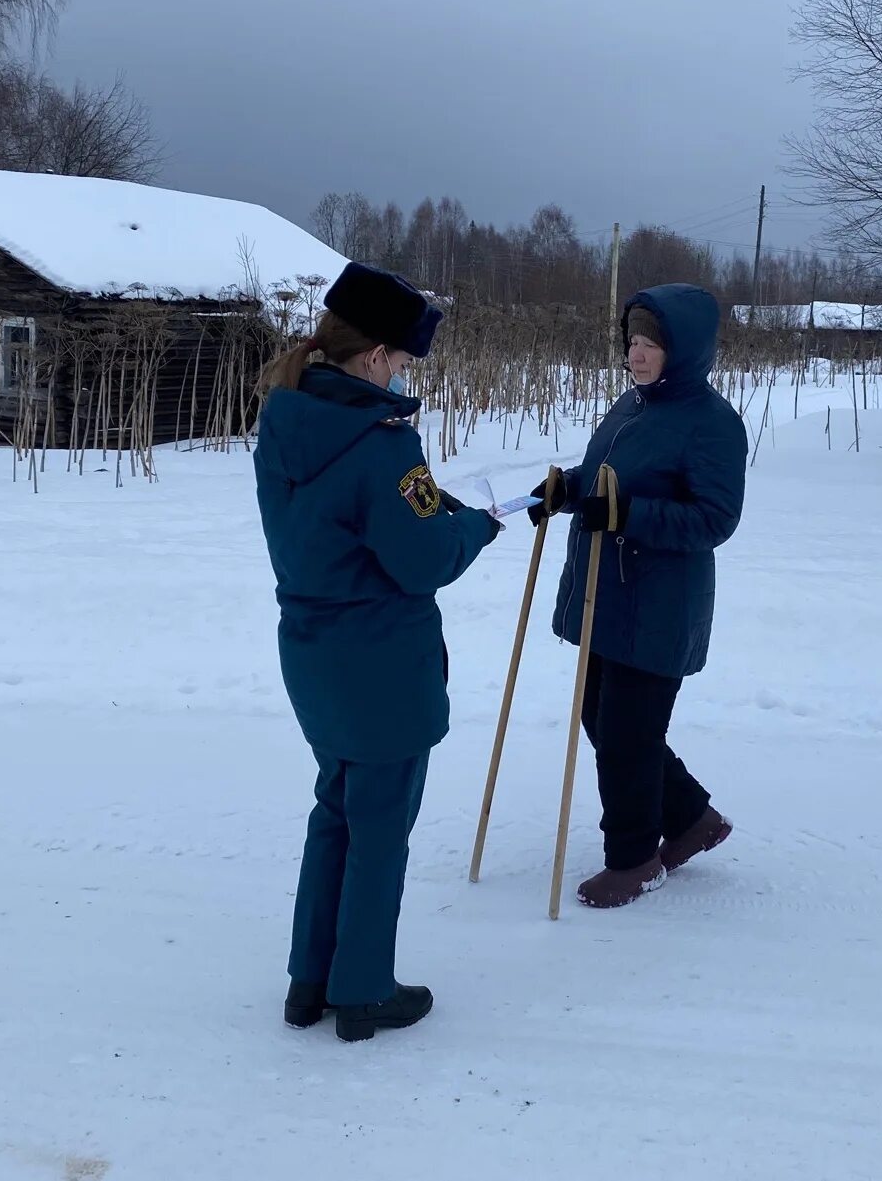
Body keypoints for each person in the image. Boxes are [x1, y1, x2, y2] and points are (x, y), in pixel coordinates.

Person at [253, 261, 500, 1040]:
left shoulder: (286, 421)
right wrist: (479, 525)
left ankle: (310, 979)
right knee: (381, 825)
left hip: (313, 654)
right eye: (400, 361)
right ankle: (362, 989)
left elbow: (367, 522)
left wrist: (432, 507)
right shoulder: (384, 444)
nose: (402, 377)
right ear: (371, 357)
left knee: (336, 811)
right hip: (382, 661)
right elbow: (424, 557)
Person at [528, 283, 748, 909]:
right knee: (604, 718)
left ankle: (633, 860)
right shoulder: (632, 406)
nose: (638, 354)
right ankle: (690, 820)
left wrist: (626, 514)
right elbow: (605, 479)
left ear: (685, 350)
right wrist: (565, 490)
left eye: (652, 343)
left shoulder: (712, 423)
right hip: (608, 595)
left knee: (626, 733)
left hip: (658, 604)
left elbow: (714, 519)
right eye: (633, 341)